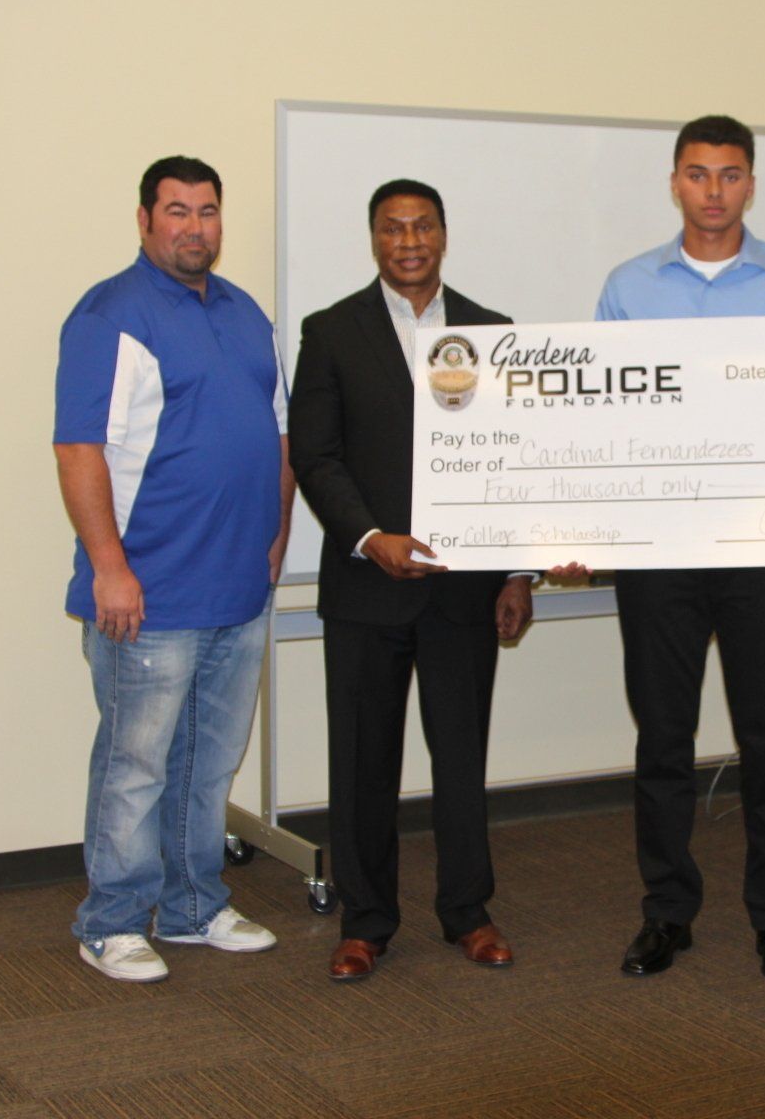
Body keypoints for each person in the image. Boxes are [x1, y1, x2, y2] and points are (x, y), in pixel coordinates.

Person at [560, 115, 765, 986]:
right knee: (663, 740)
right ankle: (667, 912)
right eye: (698, 173)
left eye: (730, 174)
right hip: (661, 552)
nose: (714, 190)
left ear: (751, 183)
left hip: (764, 550)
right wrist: (581, 530)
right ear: (674, 181)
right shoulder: (628, 287)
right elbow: (597, 421)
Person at [290, 178, 535, 982]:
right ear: (374, 239)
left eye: (422, 226)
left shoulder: (492, 333)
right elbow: (315, 454)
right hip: (367, 587)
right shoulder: (331, 331)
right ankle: (365, 923)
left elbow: (515, 462)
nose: (408, 242)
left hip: (464, 591)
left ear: (442, 235)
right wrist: (370, 538)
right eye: (392, 228)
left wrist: (519, 572)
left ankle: (468, 912)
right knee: (364, 763)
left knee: (461, 761)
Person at [54, 156, 291, 983]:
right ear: (145, 220)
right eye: (178, 211)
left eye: (208, 210)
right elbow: (79, 449)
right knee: (136, 767)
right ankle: (112, 921)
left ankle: (193, 906)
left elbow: (279, 434)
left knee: (208, 762)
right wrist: (109, 569)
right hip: (147, 592)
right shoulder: (110, 316)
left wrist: (276, 535)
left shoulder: (246, 313)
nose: (195, 226)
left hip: (238, 587)